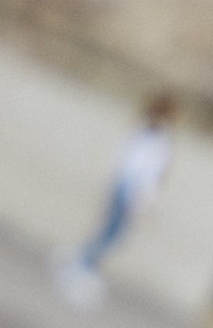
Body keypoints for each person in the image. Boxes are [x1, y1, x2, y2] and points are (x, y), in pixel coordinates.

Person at [54, 90, 179, 306]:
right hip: (129, 189)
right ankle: (80, 263)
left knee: (111, 233)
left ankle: (82, 261)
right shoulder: (152, 136)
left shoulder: (150, 134)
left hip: (127, 188)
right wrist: (141, 198)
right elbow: (148, 172)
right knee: (112, 233)